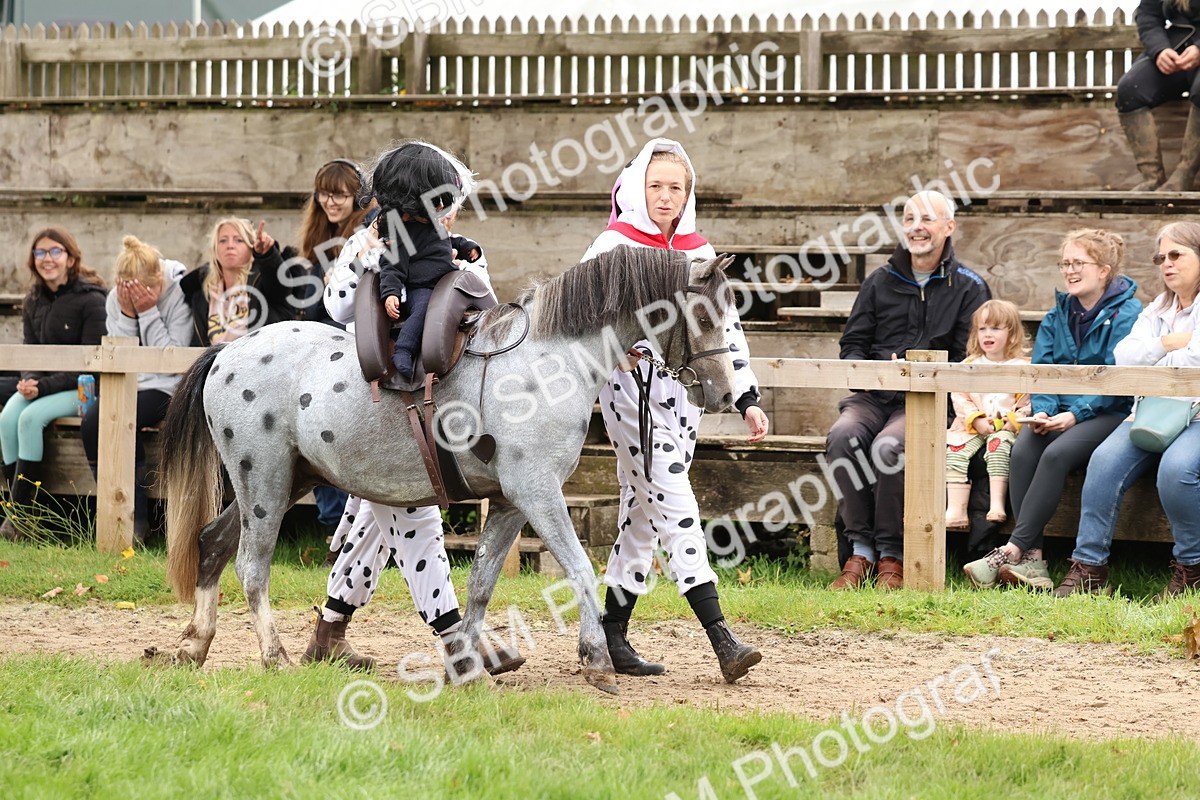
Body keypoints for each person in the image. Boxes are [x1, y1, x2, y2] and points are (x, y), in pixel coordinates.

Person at [306, 141, 520, 675]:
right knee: (412, 514)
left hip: (434, 398)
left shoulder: (456, 246)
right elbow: (336, 308)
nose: (452, 212)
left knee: (374, 520)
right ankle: (458, 642)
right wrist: (370, 257)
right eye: (445, 201)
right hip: (372, 401)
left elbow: (485, 312)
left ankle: (328, 634)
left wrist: (464, 263)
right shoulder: (368, 240)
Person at [581, 138, 768, 684]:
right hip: (630, 392)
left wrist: (746, 398)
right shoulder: (612, 246)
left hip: (688, 398)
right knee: (674, 500)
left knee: (643, 515)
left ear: (689, 194)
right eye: (656, 186)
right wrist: (611, 347)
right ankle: (721, 637)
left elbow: (725, 329)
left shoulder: (699, 250)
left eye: (676, 188)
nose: (665, 196)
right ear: (637, 188)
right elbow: (579, 314)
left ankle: (610, 633)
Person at [827, 190, 991, 591]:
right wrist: (876, 374)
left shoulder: (969, 287)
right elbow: (852, 345)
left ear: (948, 227)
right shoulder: (879, 281)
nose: (917, 227)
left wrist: (920, 373)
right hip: (874, 395)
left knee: (889, 447)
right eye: (910, 219)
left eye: (927, 219)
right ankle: (860, 550)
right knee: (843, 436)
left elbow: (971, 358)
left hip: (931, 401)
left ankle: (891, 554)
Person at [963, 229, 1141, 590]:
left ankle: (1013, 549)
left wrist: (1076, 415)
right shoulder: (1056, 316)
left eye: (1079, 263)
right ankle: (1034, 561)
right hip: (1058, 412)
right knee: (1023, 449)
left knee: (1056, 455)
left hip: (1110, 412)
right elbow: (1041, 372)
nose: (1069, 271)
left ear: (1104, 270)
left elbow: (1117, 378)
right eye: (1065, 263)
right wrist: (1043, 411)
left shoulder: (1128, 312)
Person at [1054, 222, 1200, 599]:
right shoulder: (1158, 308)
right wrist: (1169, 342)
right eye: (1160, 257)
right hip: (1151, 411)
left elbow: (1195, 359)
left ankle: (1192, 570)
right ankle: (1090, 568)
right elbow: (1124, 357)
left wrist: (1156, 355)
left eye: (1176, 254)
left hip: (1197, 417)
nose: (1166, 263)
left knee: (1177, 471)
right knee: (1103, 462)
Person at [75, 236, 191, 545]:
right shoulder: (117, 297)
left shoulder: (178, 293)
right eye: (130, 290)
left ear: (159, 278)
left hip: (167, 385)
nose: (138, 295)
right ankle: (118, 513)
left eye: (148, 289)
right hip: (129, 381)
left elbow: (171, 359)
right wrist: (128, 313)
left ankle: (138, 519)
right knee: (93, 421)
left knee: (128, 417)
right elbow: (120, 353)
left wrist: (149, 311)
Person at [0, 228, 107, 539]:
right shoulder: (33, 300)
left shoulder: (92, 300)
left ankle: (20, 520)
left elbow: (91, 365)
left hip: (82, 389)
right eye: (40, 252)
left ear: (70, 258)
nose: (47, 258)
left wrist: (41, 388)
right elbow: (30, 350)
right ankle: (19, 515)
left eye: (55, 251)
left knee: (30, 418)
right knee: (7, 417)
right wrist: (27, 380)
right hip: (43, 386)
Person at [290, 159, 374, 535]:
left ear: (358, 197)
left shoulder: (368, 234)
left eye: (339, 194)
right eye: (324, 194)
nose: (330, 201)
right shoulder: (319, 241)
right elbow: (312, 307)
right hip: (322, 350)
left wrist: (344, 279)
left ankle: (349, 533)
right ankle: (334, 532)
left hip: (354, 349)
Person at [371, 141, 482, 381]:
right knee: (423, 310)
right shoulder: (403, 235)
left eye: (442, 201)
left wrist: (468, 249)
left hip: (447, 284)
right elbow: (392, 265)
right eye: (434, 201)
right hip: (422, 288)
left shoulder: (433, 227)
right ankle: (404, 349)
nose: (441, 207)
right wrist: (390, 292)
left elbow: (449, 241)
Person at [944, 300, 1032, 529]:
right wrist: (976, 419)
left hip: (1005, 428)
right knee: (955, 452)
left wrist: (1014, 421)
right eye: (982, 329)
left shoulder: (1024, 367)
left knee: (998, 448)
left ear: (1012, 333)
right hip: (972, 428)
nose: (987, 334)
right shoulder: (969, 365)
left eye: (995, 328)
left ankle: (997, 504)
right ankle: (956, 509)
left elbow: (1029, 400)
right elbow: (959, 397)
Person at [1116, 0, 1200, 191]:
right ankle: (1152, 179)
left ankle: (1183, 176)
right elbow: (1148, 15)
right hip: (1177, 46)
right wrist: (1160, 49)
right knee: (1130, 89)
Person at [179, 217, 293, 347]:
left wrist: (267, 256)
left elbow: (281, 287)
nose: (230, 246)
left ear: (251, 247)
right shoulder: (203, 294)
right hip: (216, 359)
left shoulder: (263, 281)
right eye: (223, 241)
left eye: (239, 240)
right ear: (214, 250)